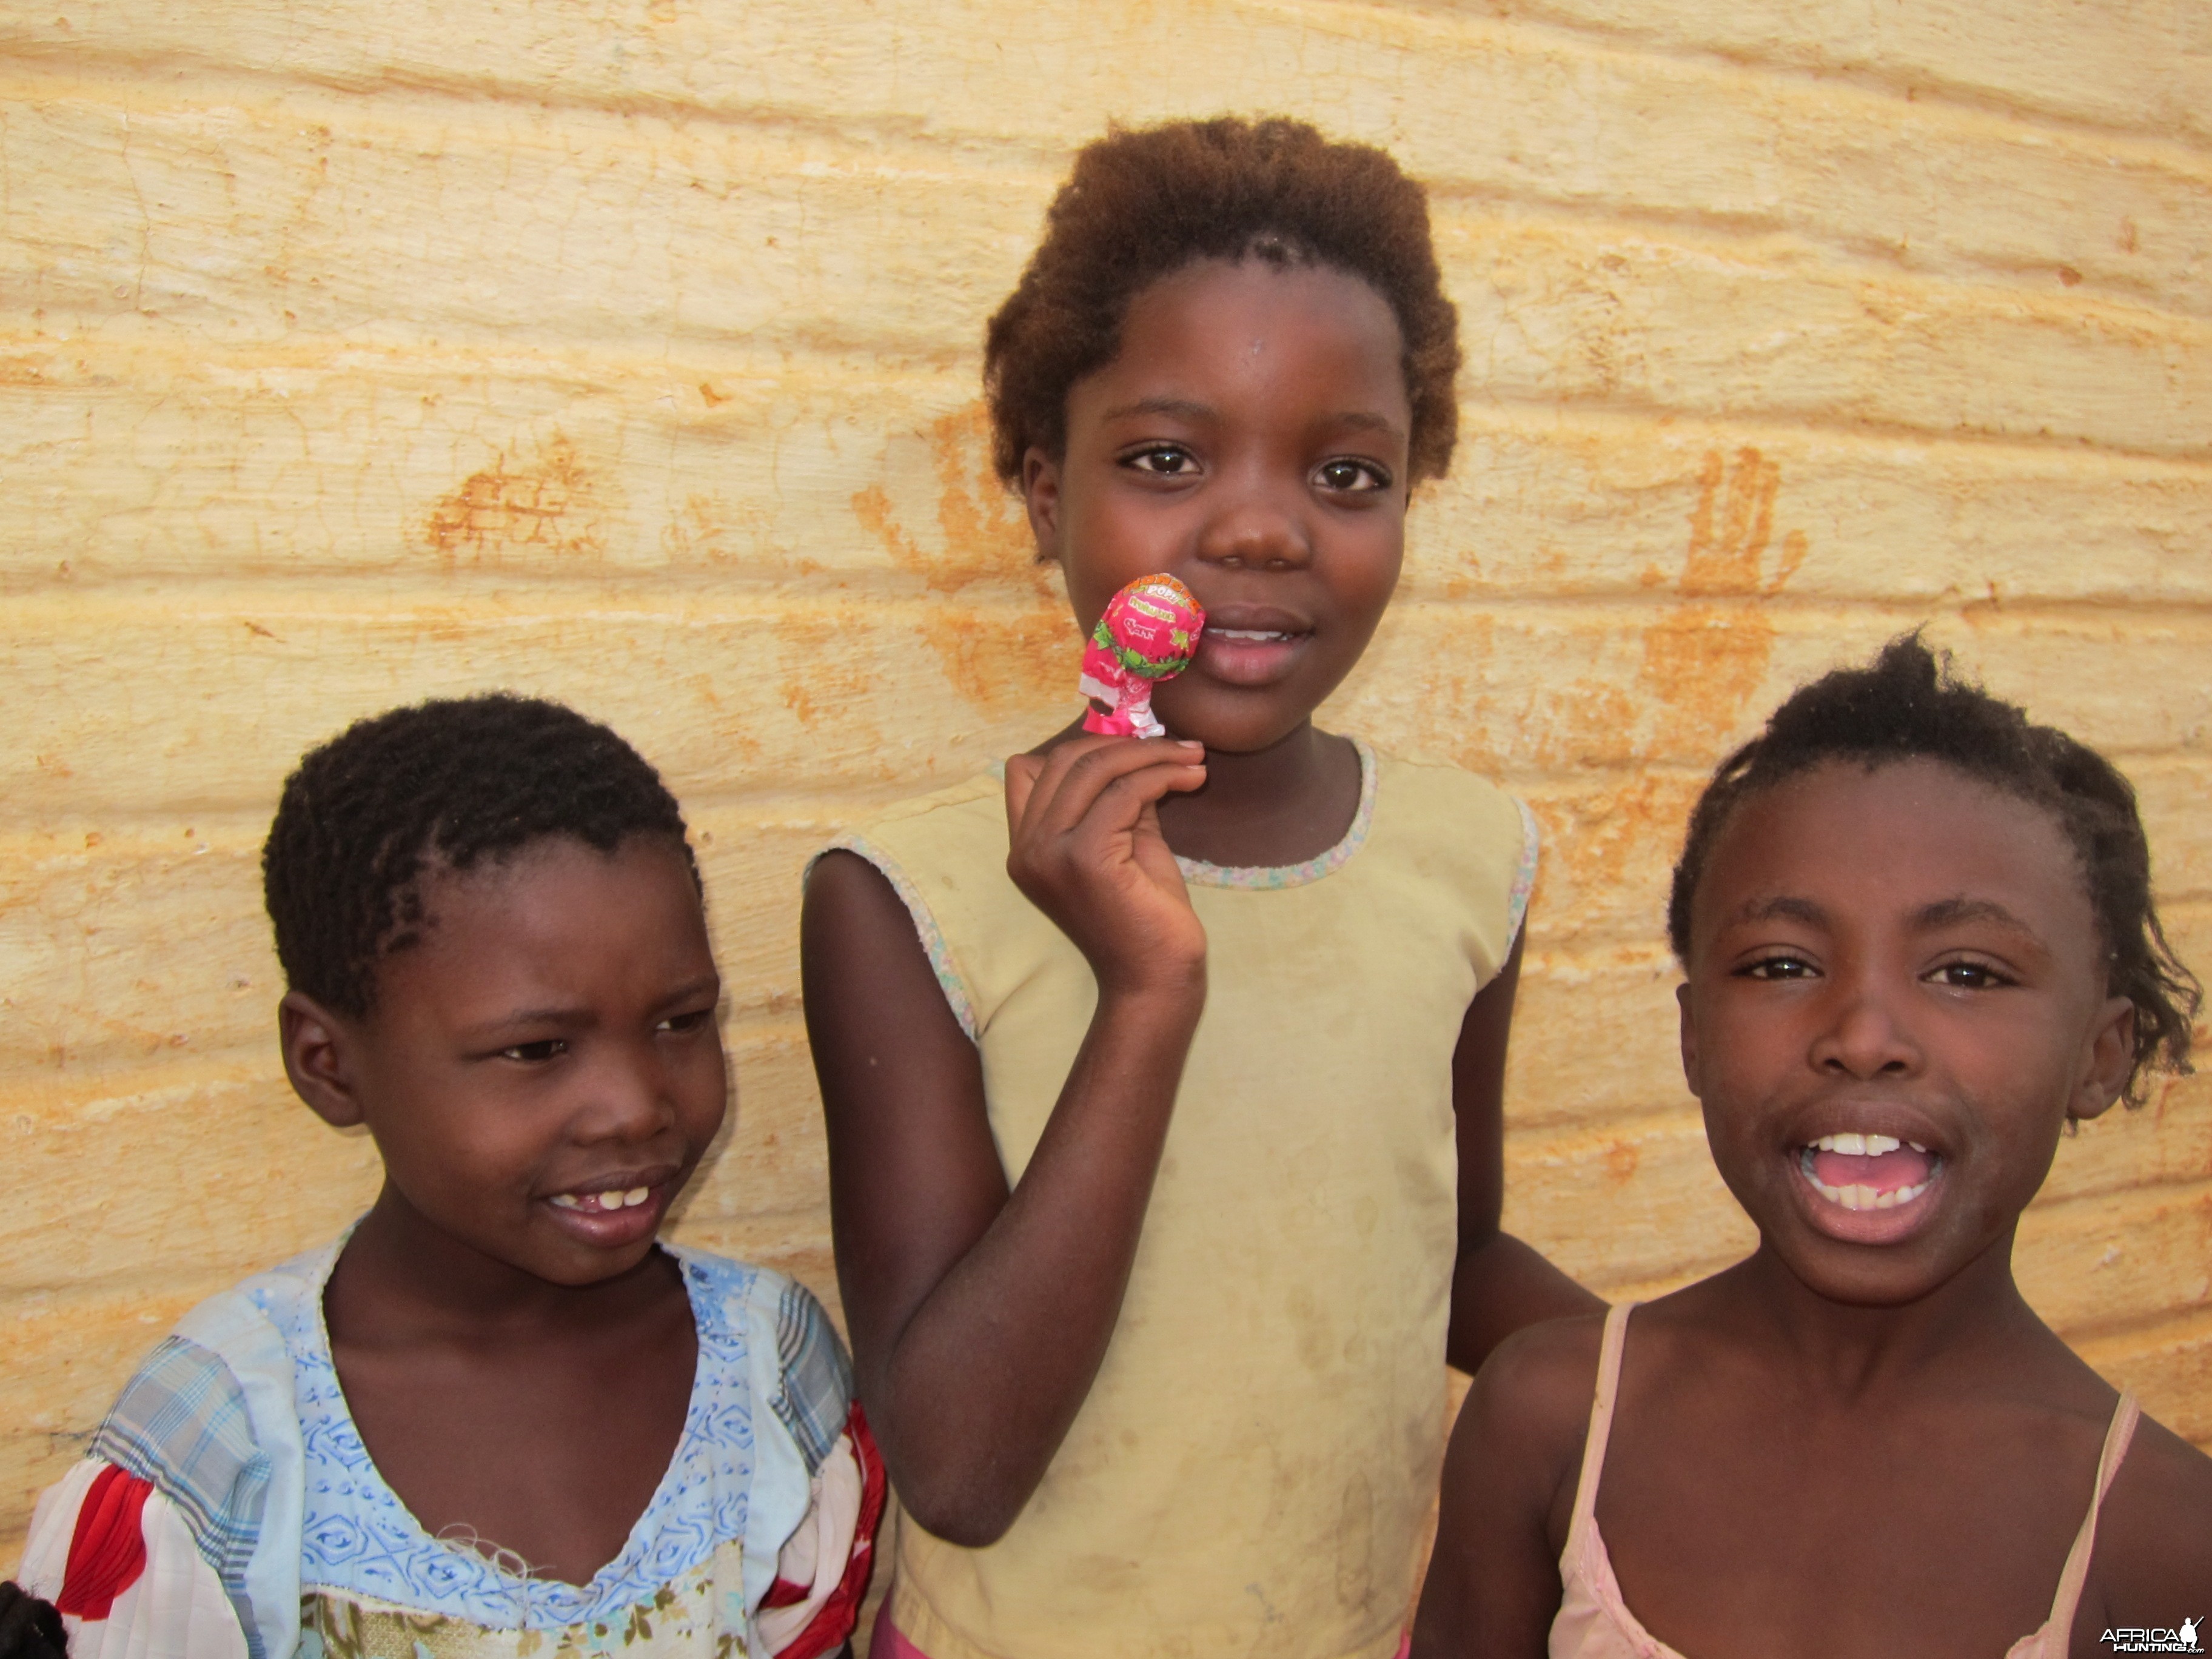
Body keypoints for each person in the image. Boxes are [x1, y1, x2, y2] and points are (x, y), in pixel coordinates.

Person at [801, 116, 1598, 1659]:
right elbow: (957, 1465)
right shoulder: (910, 898)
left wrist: (1698, 1372)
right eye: (1167, 459)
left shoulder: (1467, 857)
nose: (1255, 525)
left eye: (1345, 470)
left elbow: (1454, 1260)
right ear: (1044, 493)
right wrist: (1148, 989)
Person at [7, 696, 883, 1659]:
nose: (637, 1106)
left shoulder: (769, 1363)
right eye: (539, 1047)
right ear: (328, 1065)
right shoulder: (225, 1442)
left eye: (681, 1021)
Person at [1410, 635, 2212, 1658]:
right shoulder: (1551, 1425)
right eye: (1782, 963)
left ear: (2100, 1058)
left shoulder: (2167, 1557)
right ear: (1693, 1037)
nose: (1864, 1037)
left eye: (1966, 974)